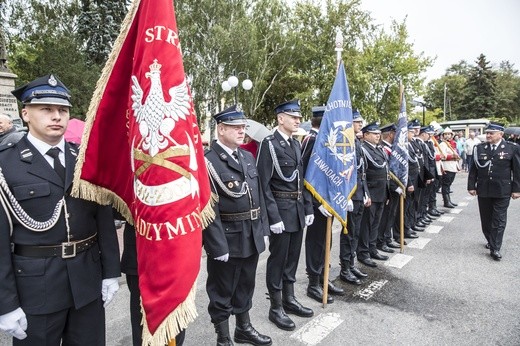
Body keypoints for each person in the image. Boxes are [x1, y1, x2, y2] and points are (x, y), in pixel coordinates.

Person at [0, 74, 121, 344]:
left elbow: (102, 219)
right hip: (35, 288)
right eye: (47, 109)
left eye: (63, 110)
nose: (57, 116)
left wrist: (111, 271)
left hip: (86, 282)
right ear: (26, 113)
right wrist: (5, 303)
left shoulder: (85, 160)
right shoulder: (6, 164)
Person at [203, 105, 272, 345]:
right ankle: (223, 338)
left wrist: (262, 230)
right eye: (236, 127)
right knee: (221, 290)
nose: (242, 131)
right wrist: (217, 245)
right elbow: (207, 209)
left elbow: (259, 196)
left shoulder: (247, 156)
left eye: (243, 127)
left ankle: (243, 328)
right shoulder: (209, 162)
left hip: (251, 233)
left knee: (246, 283)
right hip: (228, 237)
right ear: (221, 129)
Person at [257, 100, 314, 331]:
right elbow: (264, 184)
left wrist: (308, 208)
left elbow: (301, 179)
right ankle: (276, 306)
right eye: (293, 116)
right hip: (280, 212)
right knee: (278, 260)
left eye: (298, 117)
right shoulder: (269, 145)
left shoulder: (296, 144)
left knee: (292, 259)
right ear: (281, 118)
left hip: (297, 210)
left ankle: (290, 300)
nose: (298, 120)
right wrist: (273, 217)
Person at [301, 106, 344, 304]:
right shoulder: (312, 140)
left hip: (328, 201)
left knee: (327, 242)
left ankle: (324, 278)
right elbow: (305, 176)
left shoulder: (326, 140)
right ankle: (313, 283)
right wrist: (314, 203)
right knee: (316, 243)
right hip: (317, 204)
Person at [121, 223, 186, 346]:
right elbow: (117, 209)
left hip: (176, 253)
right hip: (140, 256)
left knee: (176, 321)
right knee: (143, 322)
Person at [467, 122, 520, 261]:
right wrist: (471, 186)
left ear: (500, 134)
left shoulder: (512, 148)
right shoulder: (479, 148)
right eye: (487, 133)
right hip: (484, 189)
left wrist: (517, 189)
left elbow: (517, 170)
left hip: (502, 189)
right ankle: (490, 239)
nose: (488, 135)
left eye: (491, 133)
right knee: (486, 219)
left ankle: (495, 247)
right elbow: (474, 169)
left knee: (499, 219)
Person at [338, 109, 369, 284]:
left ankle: (351, 263)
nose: (360, 125)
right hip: (350, 194)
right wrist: (346, 195)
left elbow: (361, 171)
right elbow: (344, 170)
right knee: (348, 233)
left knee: (355, 232)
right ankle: (345, 268)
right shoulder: (346, 142)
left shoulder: (357, 142)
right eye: (357, 122)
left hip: (358, 192)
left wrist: (364, 192)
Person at [357, 122, 390, 268]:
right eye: (374, 134)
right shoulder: (363, 150)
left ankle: (372, 248)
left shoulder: (380, 150)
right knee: (366, 225)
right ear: (365, 135)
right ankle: (363, 252)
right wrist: (366, 194)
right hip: (371, 191)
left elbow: (385, 171)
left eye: (378, 134)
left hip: (381, 192)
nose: (378, 136)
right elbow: (363, 174)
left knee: (375, 223)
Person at [378, 123, 402, 253]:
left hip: (395, 187)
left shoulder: (393, 148)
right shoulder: (383, 149)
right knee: (385, 216)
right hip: (387, 188)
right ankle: (381, 240)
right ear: (391, 134)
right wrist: (394, 186)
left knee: (391, 214)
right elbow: (387, 171)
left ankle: (387, 238)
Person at [439, 127, 460, 208]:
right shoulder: (442, 144)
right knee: (446, 185)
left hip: (453, 166)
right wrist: (452, 156)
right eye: (446, 134)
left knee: (449, 185)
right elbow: (442, 156)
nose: (447, 136)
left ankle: (449, 200)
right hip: (447, 166)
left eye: (449, 134)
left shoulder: (452, 143)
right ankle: (446, 201)